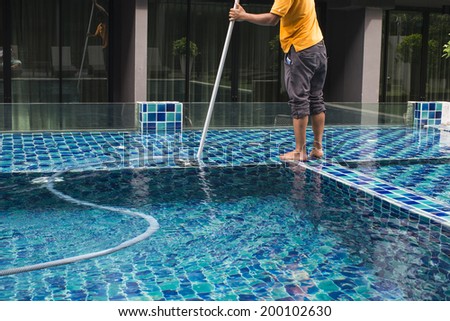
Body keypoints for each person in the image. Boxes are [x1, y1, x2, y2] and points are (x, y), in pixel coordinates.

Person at [229, 1, 327, 161]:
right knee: (316, 98)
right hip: (318, 47)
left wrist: (243, 16)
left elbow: (272, 19)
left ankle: (299, 151)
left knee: (299, 100)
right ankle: (317, 148)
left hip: (301, 49)